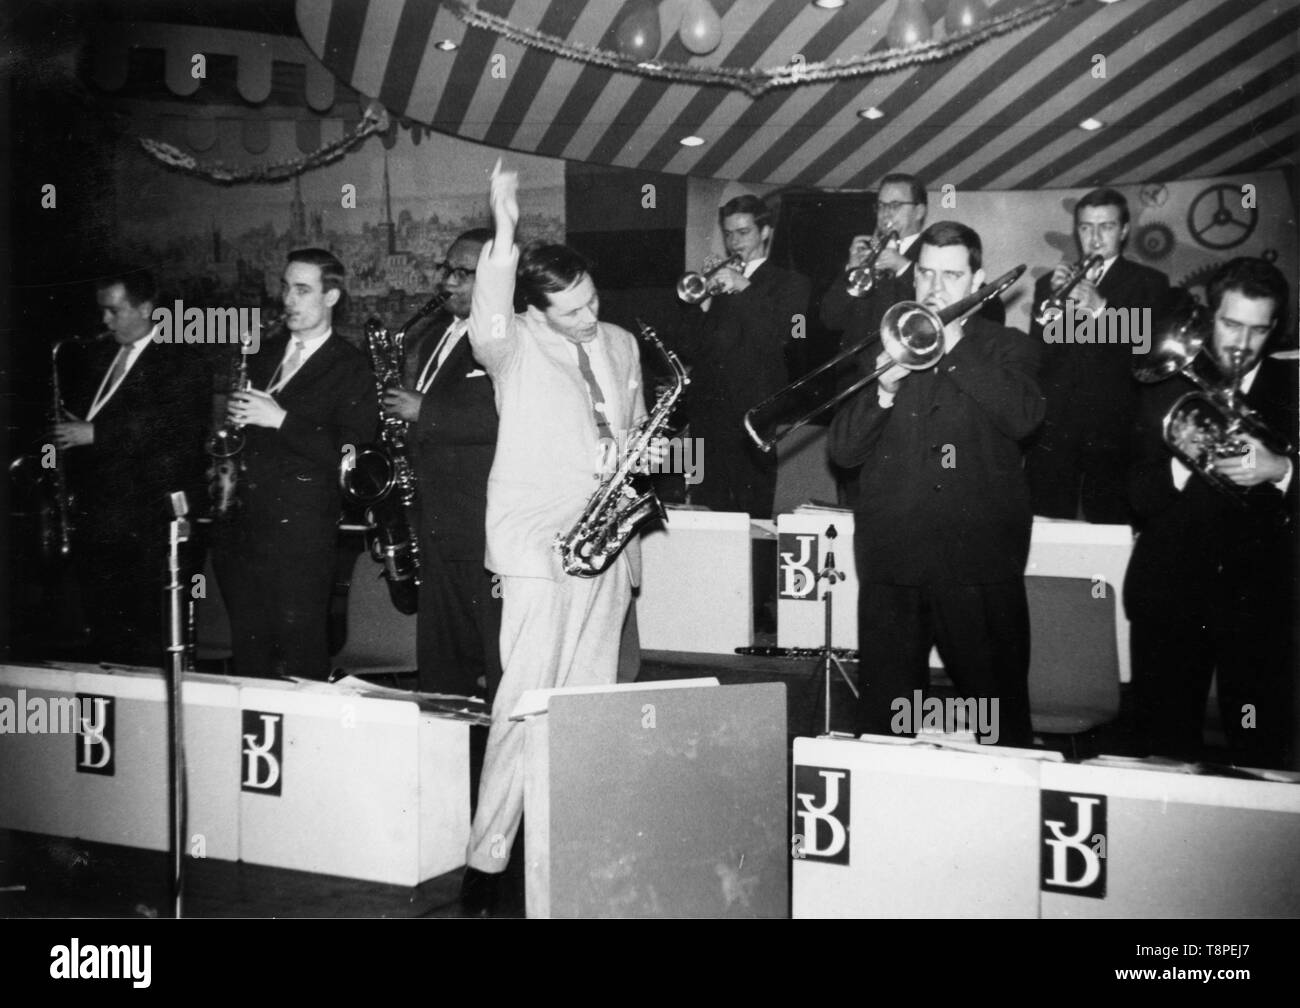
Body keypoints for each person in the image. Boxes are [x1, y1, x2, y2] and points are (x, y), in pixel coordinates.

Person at [457, 161, 650, 914]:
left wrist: (638, 455)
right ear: (536, 311)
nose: (586, 317)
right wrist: (505, 227)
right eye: (569, 310)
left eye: (592, 301)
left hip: (606, 541)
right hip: (538, 544)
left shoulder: (624, 343)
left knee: (590, 700)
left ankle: (576, 835)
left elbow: (627, 426)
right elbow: (489, 306)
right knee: (524, 701)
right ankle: (487, 854)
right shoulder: (511, 346)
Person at [827, 222, 1044, 747]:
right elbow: (844, 452)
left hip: (979, 565)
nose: (934, 288)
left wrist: (952, 345)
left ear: (979, 281)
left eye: (951, 275)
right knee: (888, 724)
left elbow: (1023, 418)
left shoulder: (1008, 348)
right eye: (925, 272)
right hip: (894, 563)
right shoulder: (881, 343)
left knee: (996, 719)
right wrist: (880, 388)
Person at [1125, 258, 1297, 769]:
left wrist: (1282, 468)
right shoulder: (1166, 384)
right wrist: (1186, 461)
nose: (1241, 342)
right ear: (1208, 317)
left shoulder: (1293, 389)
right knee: (1165, 751)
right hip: (1172, 600)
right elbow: (1132, 494)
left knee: (1262, 749)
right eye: (1230, 324)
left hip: (1261, 605)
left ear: (1274, 329)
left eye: (1257, 329)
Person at [210, 248, 377, 680]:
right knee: (249, 655)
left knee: (302, 653)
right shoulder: (262, 357)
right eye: (285, 287)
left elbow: (352, 456)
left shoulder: (353, 367)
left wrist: (280, 419)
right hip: (243, 529)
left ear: (332, 297)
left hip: (301, 535)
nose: (288, 299)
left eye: (302, 290)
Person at [51, 269, 209, 666]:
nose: (105, 321)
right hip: (100, 520)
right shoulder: (100, 356)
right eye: (102, 312)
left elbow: (176, 432)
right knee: (104, 634)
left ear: (145, 308)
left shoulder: (182, 359)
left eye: (114, 311)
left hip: (148, 523)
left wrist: (97, 434)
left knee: (146, 637)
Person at [381, 228, 503, 702]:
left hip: (479, 524)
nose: (447, 283)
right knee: (441, 660)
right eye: (445, 270)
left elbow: (503, 412)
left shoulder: (505, 335)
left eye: (462, 274)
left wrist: (423, 411)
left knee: (493, 656)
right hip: (432, 520)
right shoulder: (431, 333)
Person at [1025, 187, 1170, 524]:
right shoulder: (1050, 282)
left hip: (1114, 431)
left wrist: (1101, 309)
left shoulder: (1149, 282)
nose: (1095, 237)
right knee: (1048, 527)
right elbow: (1040, 352)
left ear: (1123, 231)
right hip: (1057, 429)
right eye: (1086, 227)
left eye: (1105, 227)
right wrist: (1051, 310)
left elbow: (1148, 349)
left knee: (1111, 527)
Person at [675, 194, 809, 519]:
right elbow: (693, 347)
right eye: (729, 233)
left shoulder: (791, 283)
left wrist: (744, 288)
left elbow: (784, 336)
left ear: (765, 233)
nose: (734, 242)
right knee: (706, 506)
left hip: (753, 415)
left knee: (752, 510)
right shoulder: (720, 283)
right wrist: (703, 302)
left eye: (744, 232)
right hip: (708, 414)